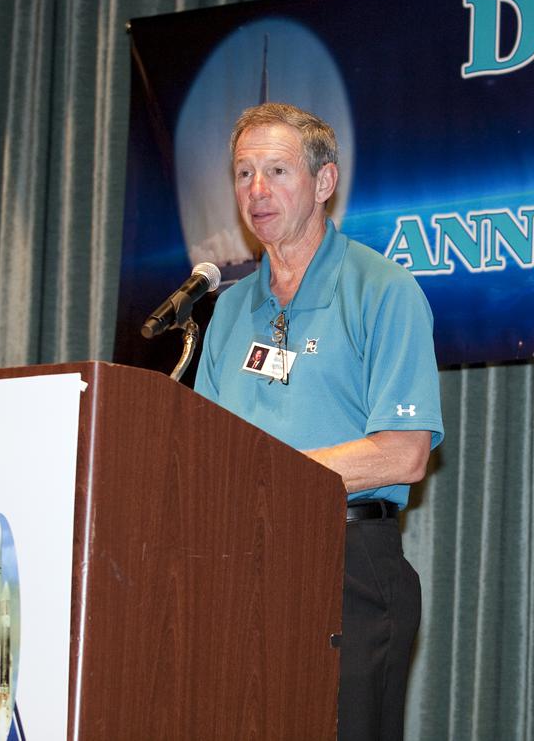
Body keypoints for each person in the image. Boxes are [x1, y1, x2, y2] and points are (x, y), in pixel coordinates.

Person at [193, 102, 443, 740]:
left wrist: (274, 479)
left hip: (347, 566)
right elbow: (208, 455)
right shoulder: (225, 311)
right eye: (245, 173)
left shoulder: (383, 291)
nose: (257, 190)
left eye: (277, 170)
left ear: (324, 183)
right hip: (237, 564)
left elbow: (405, 453)